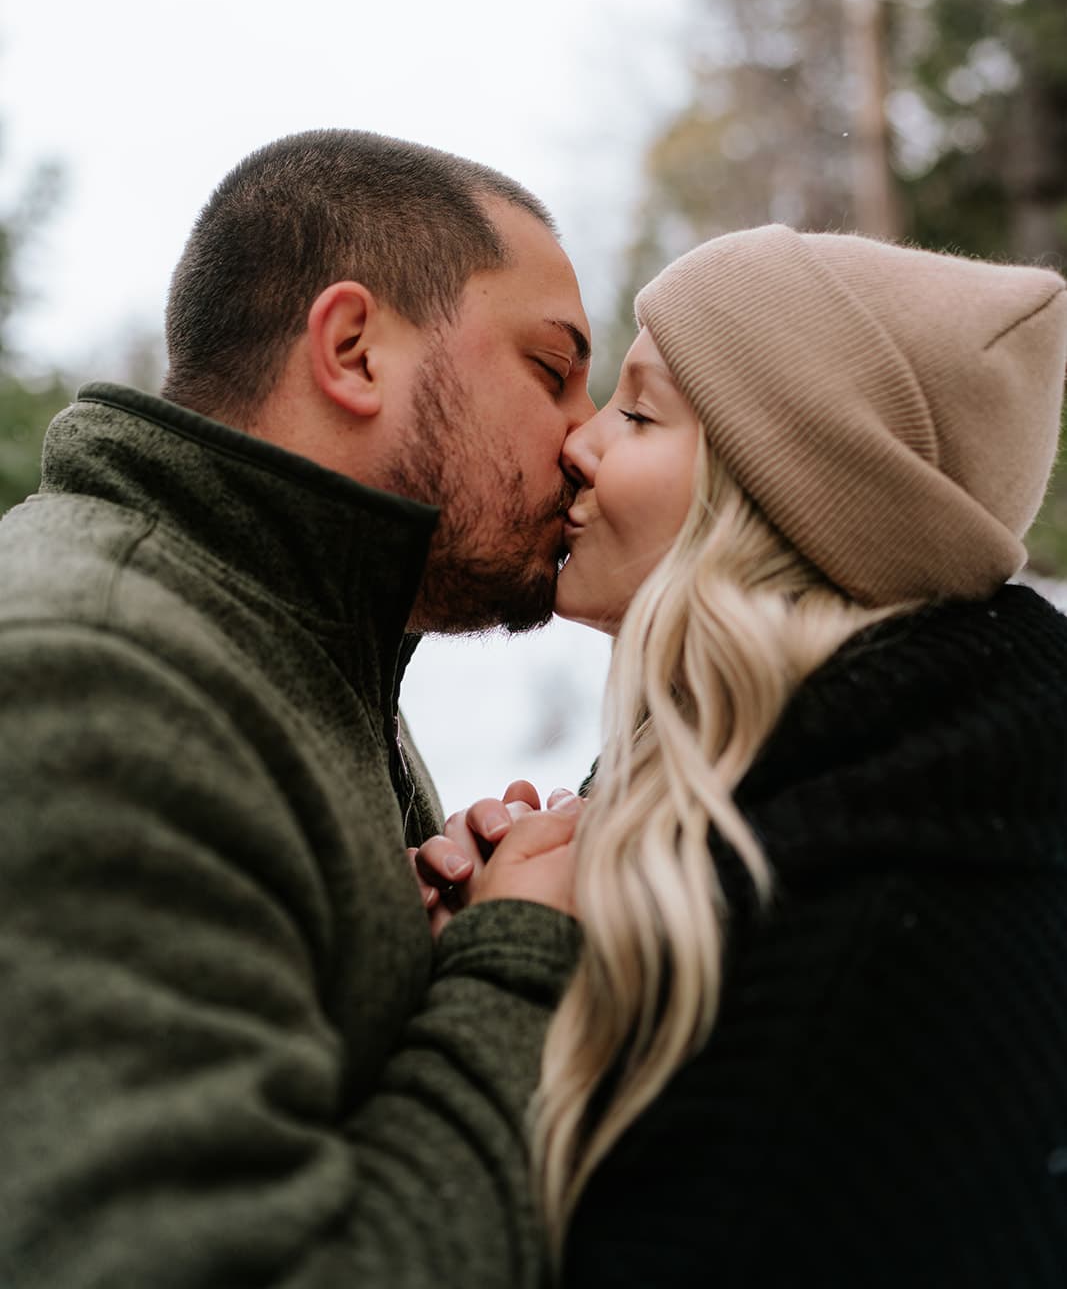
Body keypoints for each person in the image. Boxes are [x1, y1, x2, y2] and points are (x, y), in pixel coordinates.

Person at [0, 129, 594, 1289]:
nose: (584, 440)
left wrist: (430, 960)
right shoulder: (94, 679)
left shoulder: (291, 628)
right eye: (550, 368)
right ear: (354, 349)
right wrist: (520, 964)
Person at [531, 223, 1067, 1286]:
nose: (579, 444)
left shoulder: (865, 959)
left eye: (636, 411)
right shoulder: (808, 794)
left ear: (783, 502)